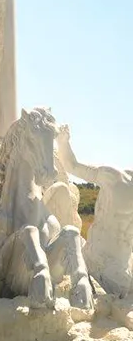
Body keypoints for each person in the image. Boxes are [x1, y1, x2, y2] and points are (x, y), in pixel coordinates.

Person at [56, 125, 133, 298]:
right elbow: (71, 166)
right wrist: (63, 142)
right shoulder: (114, 177)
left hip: (121, 267)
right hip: (98, 262)